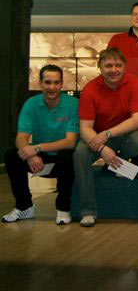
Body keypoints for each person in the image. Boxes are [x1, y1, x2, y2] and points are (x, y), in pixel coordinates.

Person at [73, 48, 138, 227]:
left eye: (118, 65)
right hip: (96, 137)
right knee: (80, 153)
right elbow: (85, 129)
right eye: (108, 66)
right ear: (99, 67)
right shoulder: (90, 89)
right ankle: (88, 211)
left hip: (121, 134)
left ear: (125, 67)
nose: (113, 70)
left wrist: (108, 134)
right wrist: (102, 148)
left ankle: (117, 165)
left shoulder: (134, 83)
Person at [2, 65, 78, 225]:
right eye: (48, 82)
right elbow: (21, 137)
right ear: (40, 83)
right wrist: (30, 155)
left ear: (62, 84)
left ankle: (63, 208)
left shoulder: (73, 104)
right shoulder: (31, 104)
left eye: (56, 83)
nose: (52, 87)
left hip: (62, 159)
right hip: (39, 160)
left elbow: (70, 142)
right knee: (11, 155)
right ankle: (24, 206)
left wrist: (36, 148)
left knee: (69, 156)